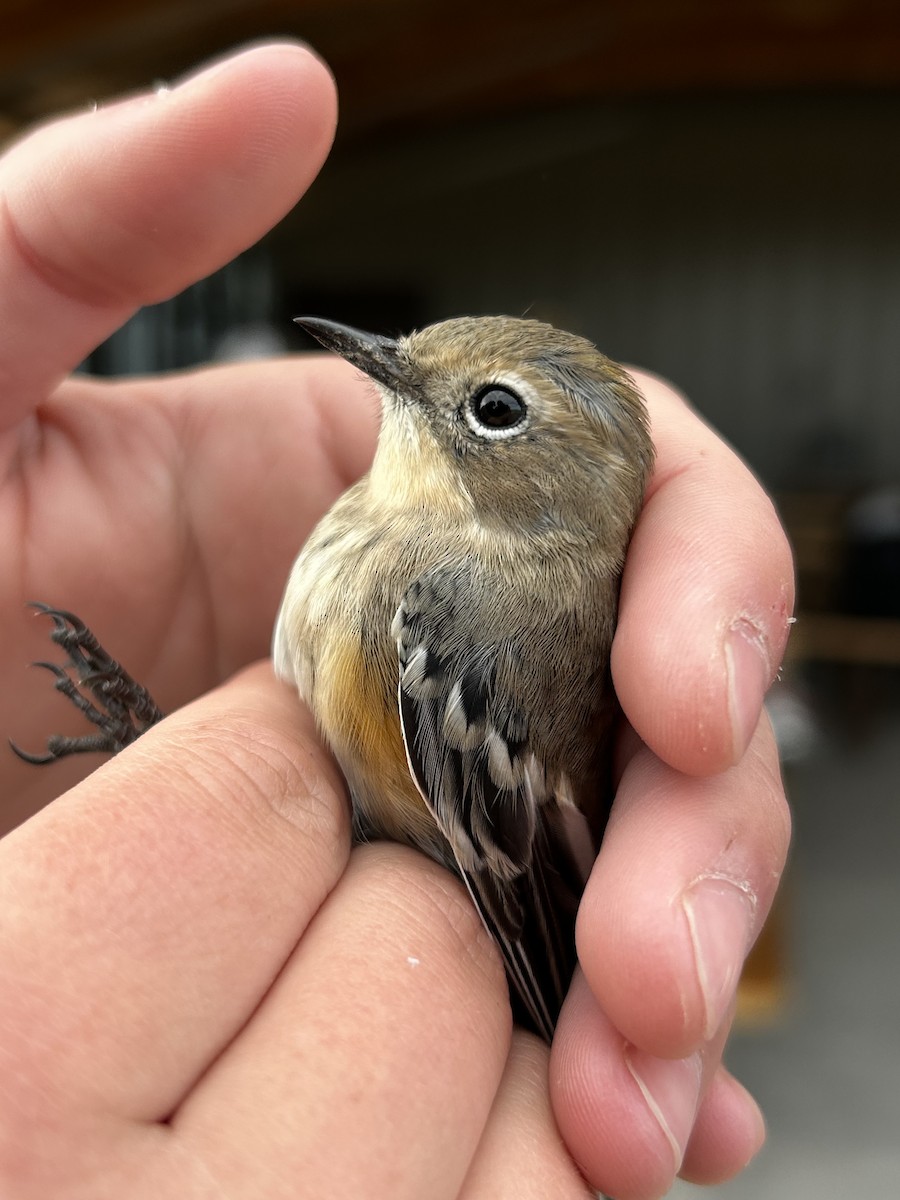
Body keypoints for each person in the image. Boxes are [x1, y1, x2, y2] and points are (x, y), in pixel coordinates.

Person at [0, 41, 793, 1200]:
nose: (385, 375)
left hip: (475, 963)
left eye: (491, 410)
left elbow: (504, 895)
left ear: (564, 490)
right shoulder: (381, 520)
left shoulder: (463, 611)